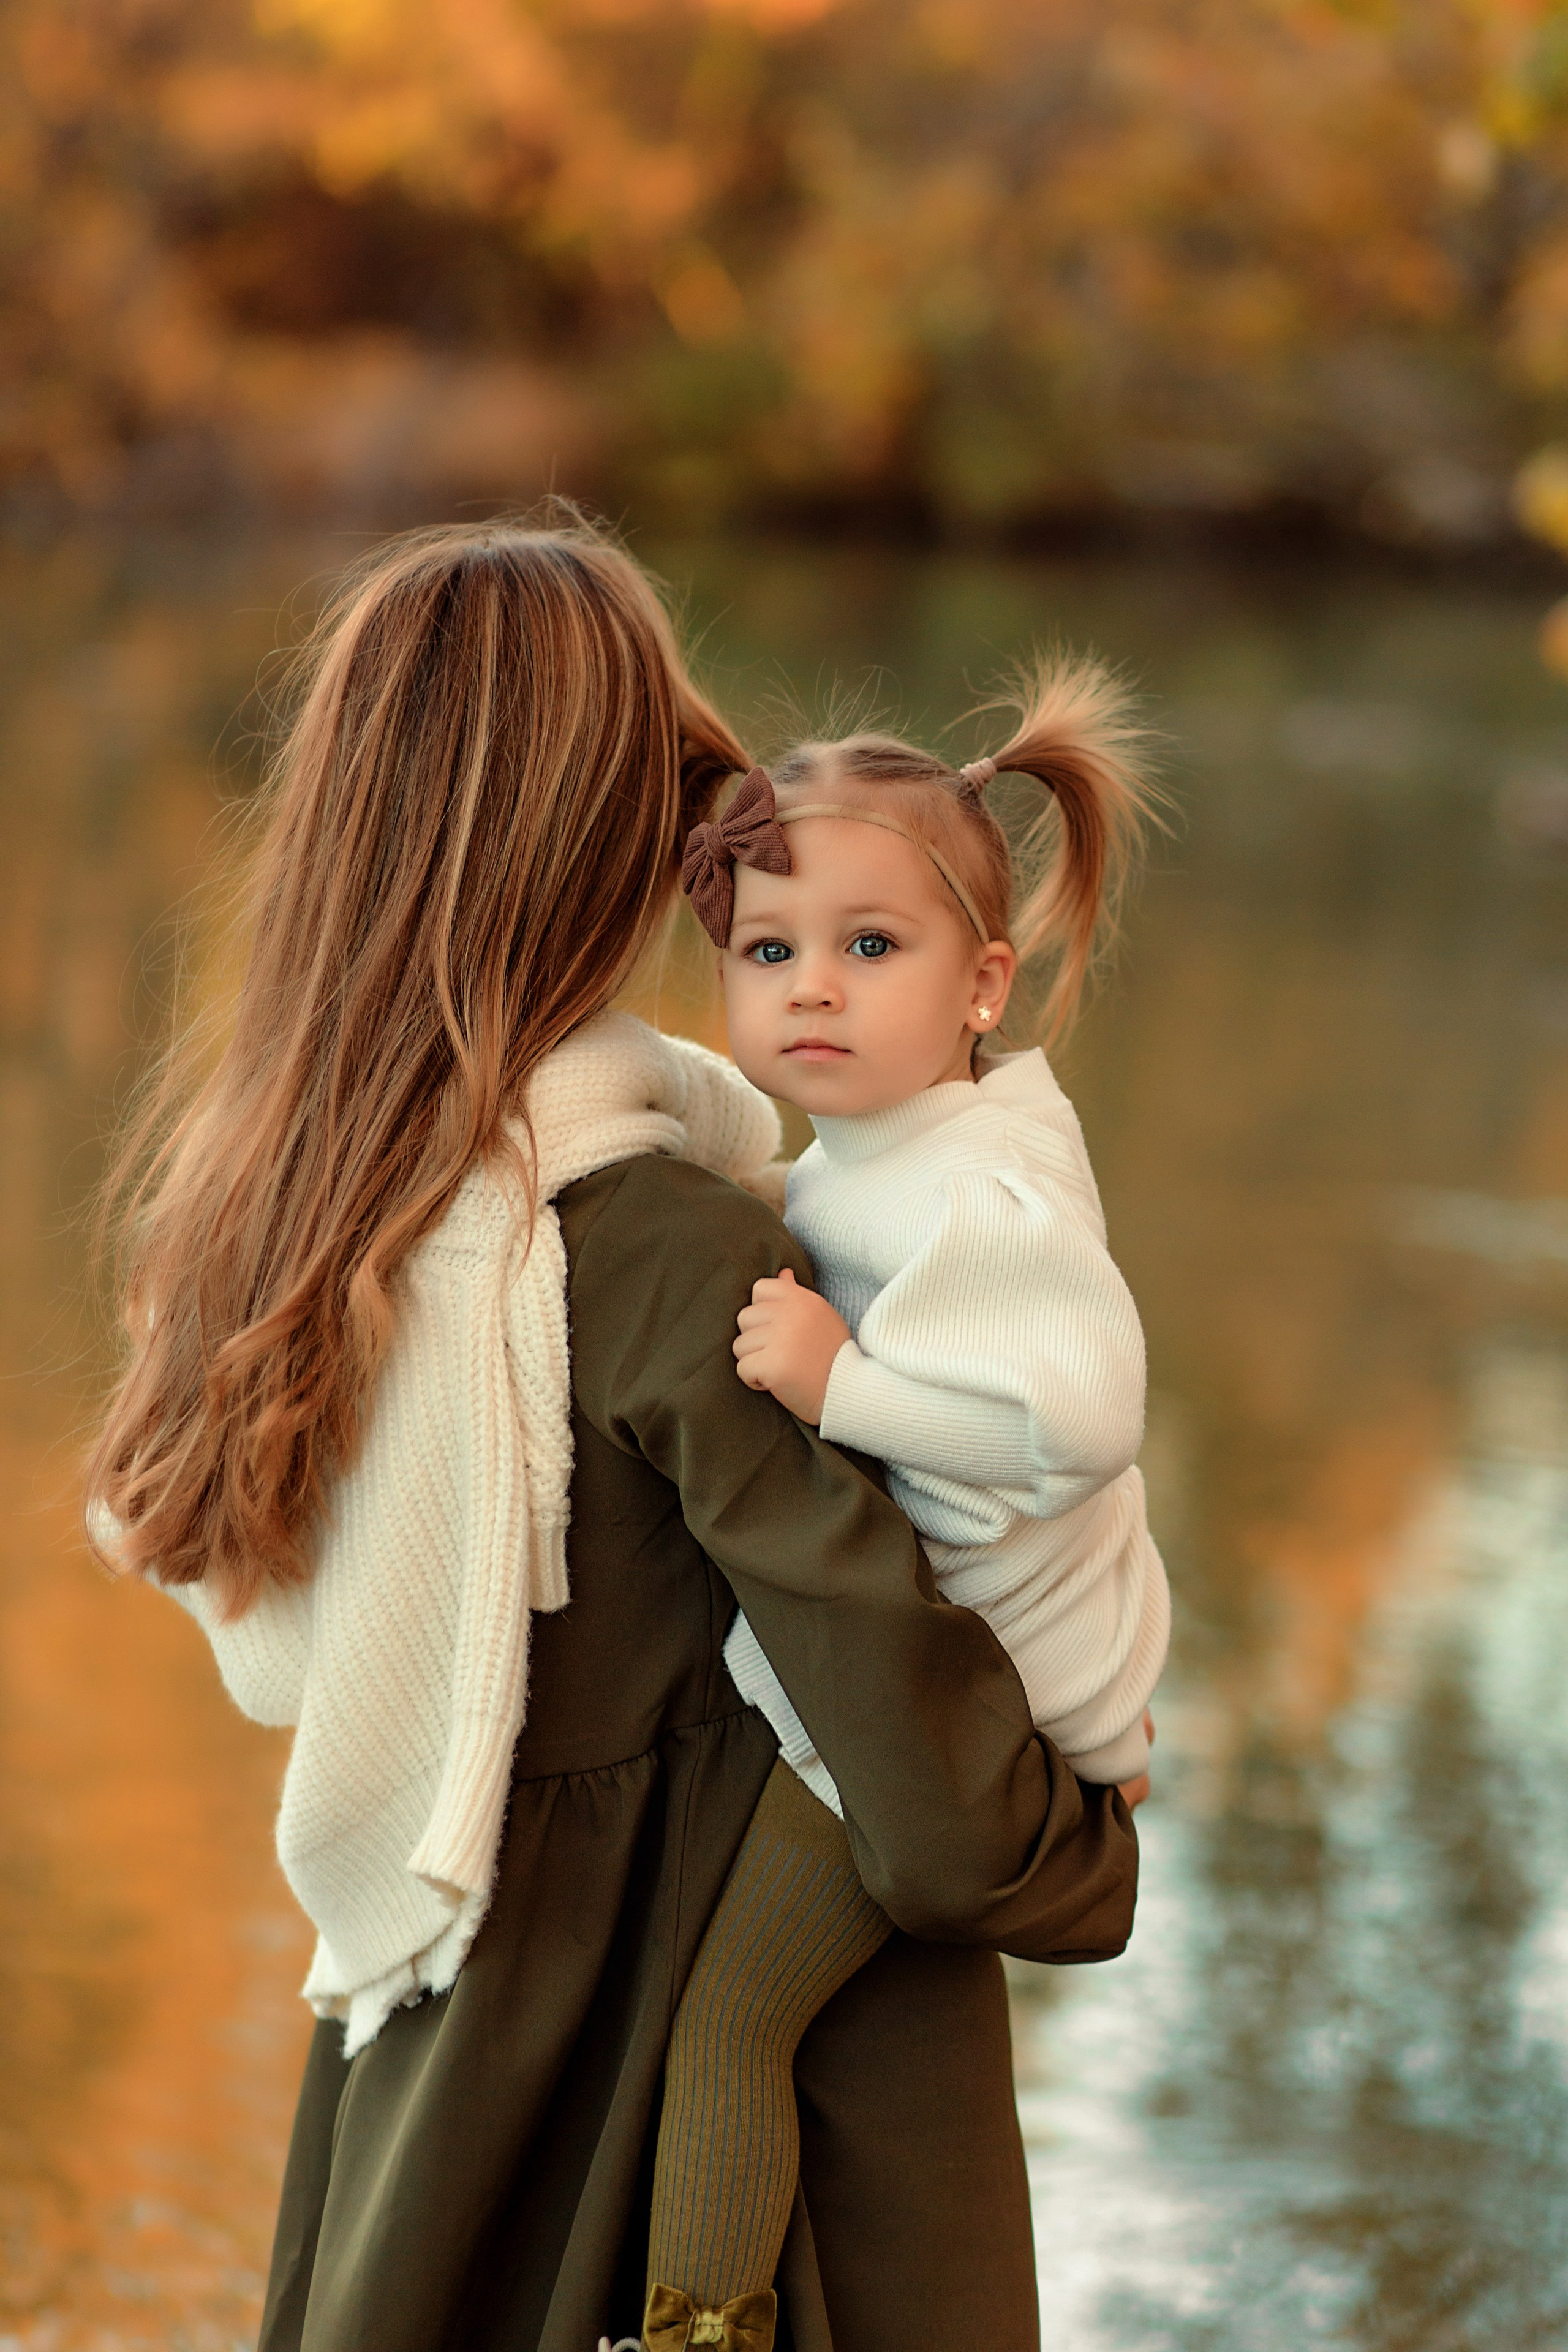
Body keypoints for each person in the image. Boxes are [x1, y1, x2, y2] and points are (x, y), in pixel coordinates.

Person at [86, 515, 1140, 2352]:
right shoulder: (669, 1245)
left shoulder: (316, 1211)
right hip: (705, 2111)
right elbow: (912, 1744)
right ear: (609, 842)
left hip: (436, 2063)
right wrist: (1083, 1835)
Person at [643, 671, 1167, 2343]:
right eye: (768, 951)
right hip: (968, 1657)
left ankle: (694, 2330)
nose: (812, 990)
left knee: (725, 2026)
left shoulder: (982, 1190)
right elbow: (809, 1192)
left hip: (953, 1697)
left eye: (873, 949)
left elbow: (1087, 1421)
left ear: (982, 985)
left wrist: (836, 1386)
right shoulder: (892, 1147)